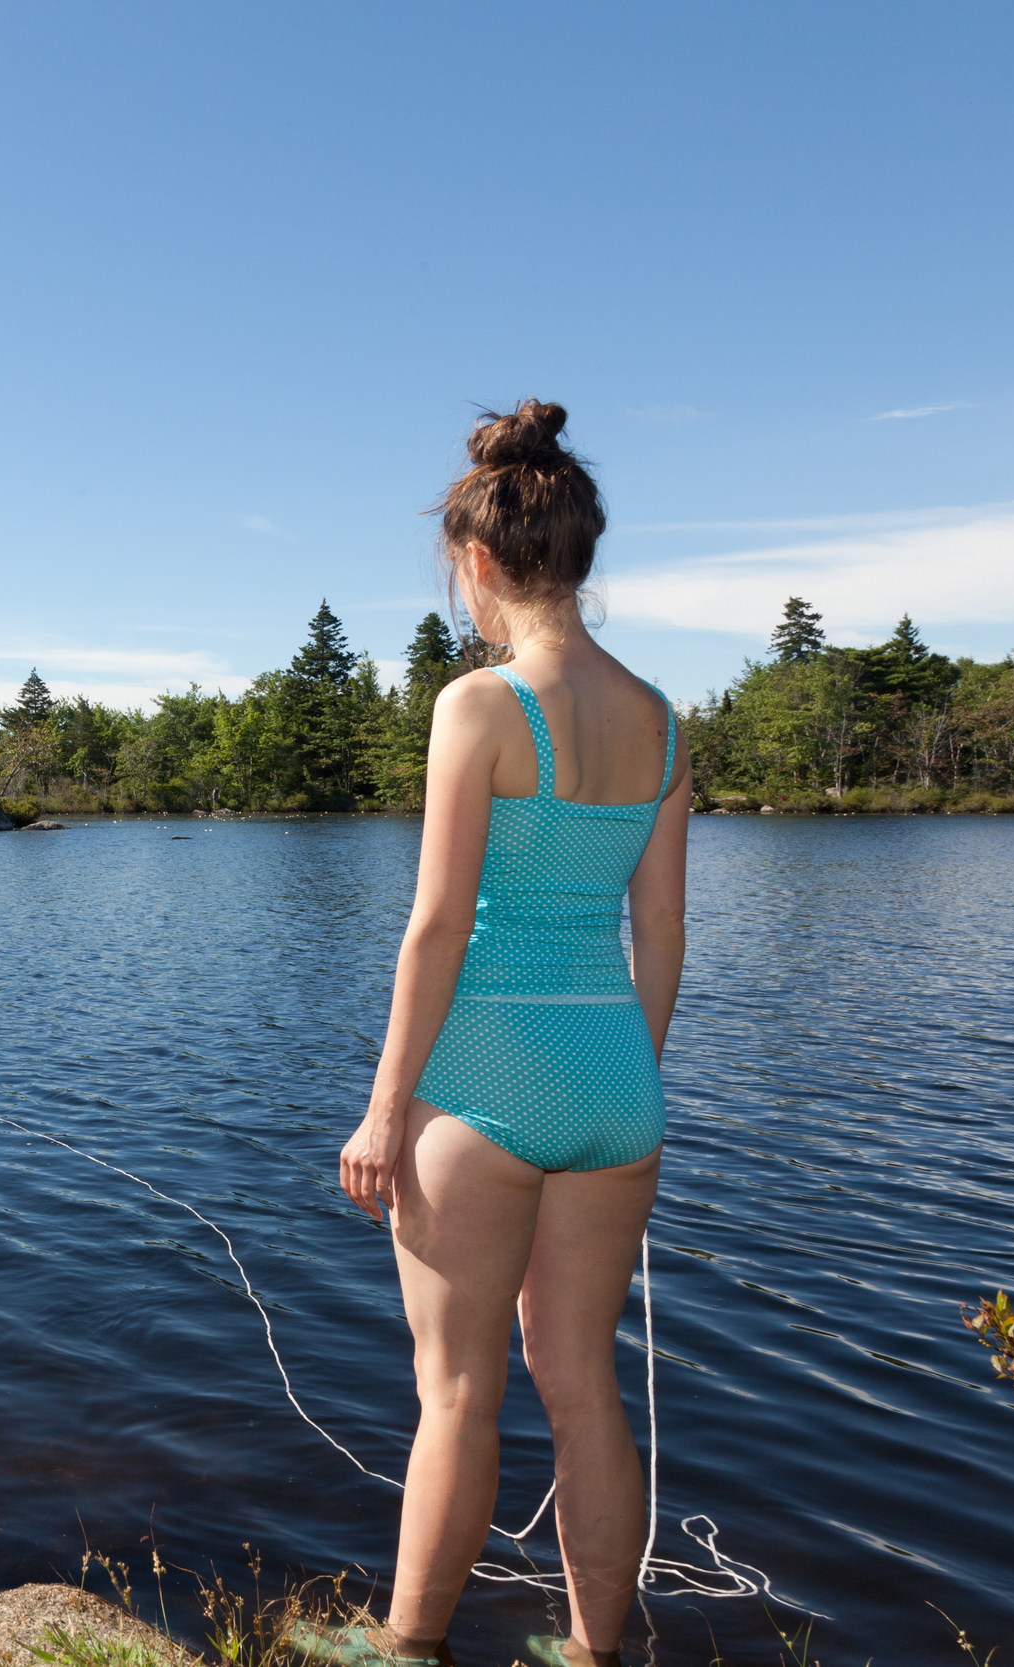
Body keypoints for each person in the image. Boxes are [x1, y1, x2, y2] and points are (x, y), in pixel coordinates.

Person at [289, 401, 689, 1667]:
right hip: (615, 1082)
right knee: (583, 1385)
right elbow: (661, 942)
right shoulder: (665, 721)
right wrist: (626, 1078)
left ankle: (405, 1645)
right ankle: (593, 1652)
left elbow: (436, 926)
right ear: (580, 552)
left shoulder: (479, 703)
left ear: (476, 562)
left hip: (485, 1081)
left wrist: (381, 1106)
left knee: (458, 1390)